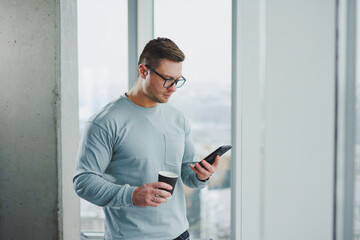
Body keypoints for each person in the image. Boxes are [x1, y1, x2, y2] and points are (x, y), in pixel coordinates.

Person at [73, 37, 220, 240]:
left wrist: (201, 175)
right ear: (143, 71)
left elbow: (187, 173)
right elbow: (83, 181)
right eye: (167, 79)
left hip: (179, 235)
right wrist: (132, 195)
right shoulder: (105, 122)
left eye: (178, 81)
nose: (173, 88)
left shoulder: (178, 118)